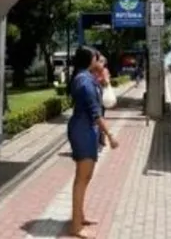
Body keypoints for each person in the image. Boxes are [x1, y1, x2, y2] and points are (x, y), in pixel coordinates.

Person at [67, 46, 119, 238]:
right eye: (97, 58)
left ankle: (79, 216)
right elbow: (95, 113)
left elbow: (103, 103)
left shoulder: (86, 78)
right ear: (89, 60)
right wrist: (111, 135)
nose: (100, 61)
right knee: (82, 179)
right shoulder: (84, 82)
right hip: (83, 130)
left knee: (85, 177)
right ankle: (75, 227)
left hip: (86, 130)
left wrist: (104, 80)